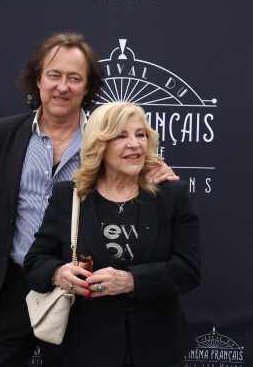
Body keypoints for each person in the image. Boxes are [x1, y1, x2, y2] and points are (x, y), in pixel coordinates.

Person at [0, 33, 179, 367]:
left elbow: (138, 175)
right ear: (38, 80)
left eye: (74, 78)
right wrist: (8, 236)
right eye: (54, 75)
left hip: (79, 293)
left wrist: (157, 171)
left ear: (87, 87)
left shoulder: (106, 140)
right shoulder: (4, 133)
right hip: (13, 285)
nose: (62, 87)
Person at [24, 102, 201, 367]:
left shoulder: (170, 197)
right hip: (83, 350)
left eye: (140, 134)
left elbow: (188, 270)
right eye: (121, 135)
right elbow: (35, 261)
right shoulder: (69, 196)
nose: (134, 144)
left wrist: (131, 281)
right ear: (100, 145)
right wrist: (58, 273)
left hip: (154, 348)